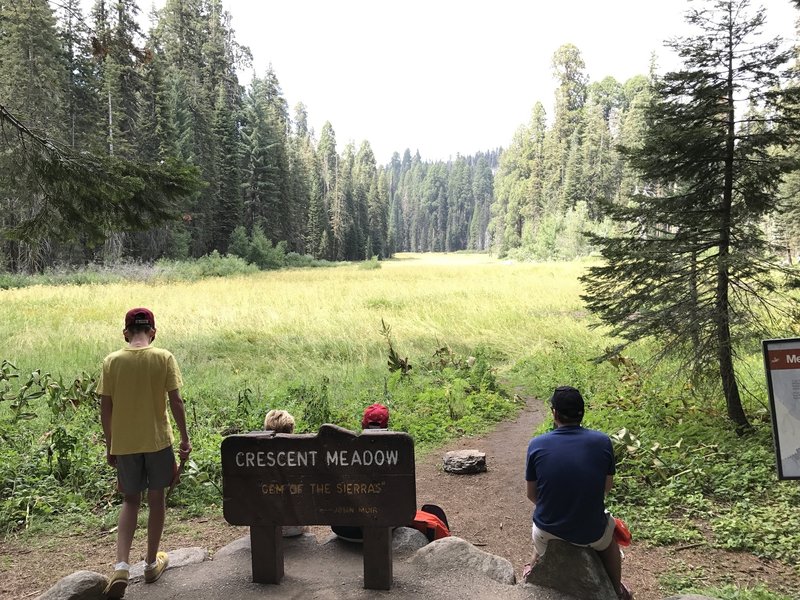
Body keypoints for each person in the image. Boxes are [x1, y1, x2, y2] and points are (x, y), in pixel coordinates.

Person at [98, 308, 192, 599]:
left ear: (125, 332)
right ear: (153, 331)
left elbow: (105, 408)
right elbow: (176, 402)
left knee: (130, 501)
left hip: (125, 445)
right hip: (158, 442)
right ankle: (151, 563)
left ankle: (122, 566)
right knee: (156, 499)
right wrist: (185, 440)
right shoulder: (163, 357)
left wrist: (110, 444)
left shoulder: (112, 362)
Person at [524, 386, 632, 600]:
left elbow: (531, 495)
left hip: (547, 531)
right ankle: (616, 590)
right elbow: (606, 487)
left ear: (554, 413)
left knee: (540, 530)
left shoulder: (537, 444)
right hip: (592, 534)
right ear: (582, 412)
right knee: (609, 542)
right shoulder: (602, 442)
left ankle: (532, 569)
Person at [331, 403, 390, 542]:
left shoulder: (345, 452)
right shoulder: (396, 454)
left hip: (343, 530)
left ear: (363, 424)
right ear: (386, 426)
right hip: (381, 527)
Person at [263, 409, 305, 537]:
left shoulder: (256, 458)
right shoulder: (303, 458)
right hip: (295, 528)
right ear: (291, 431)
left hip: (263, 524)